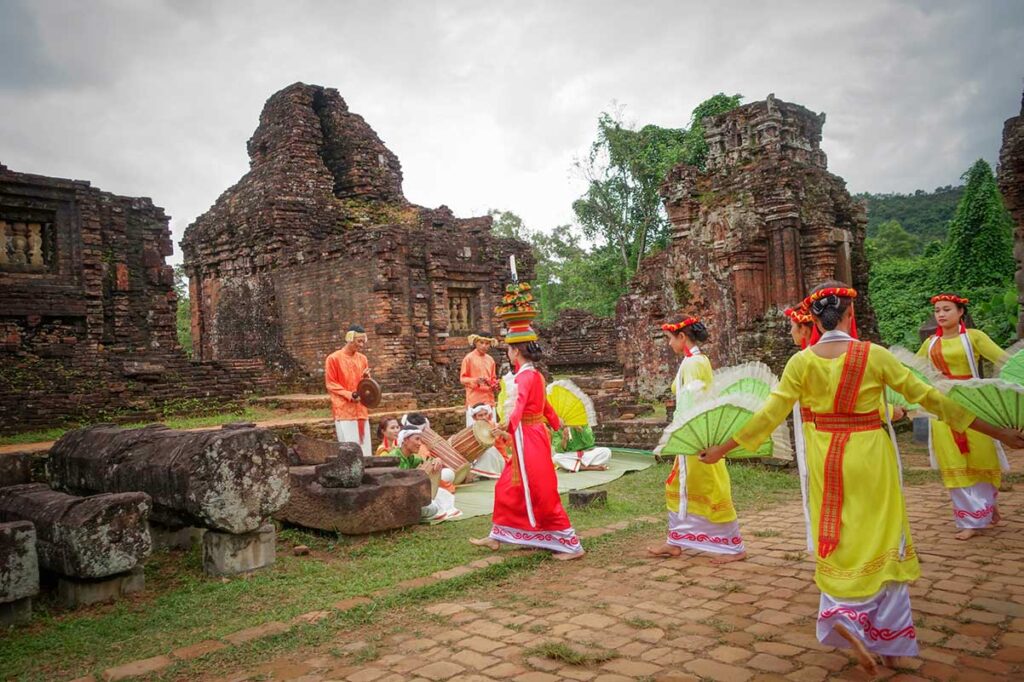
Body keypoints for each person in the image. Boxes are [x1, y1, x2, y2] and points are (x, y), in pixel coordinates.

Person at [699, 282, 1024, 673]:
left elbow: (768, 416)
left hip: (826, 460)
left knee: (838, 535)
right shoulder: (874, 355)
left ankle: (845, 616)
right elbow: (932, 399)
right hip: (871, 456)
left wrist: (720, 449)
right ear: (850, 315)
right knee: (885, 537)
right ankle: (893, 644)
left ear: (814, 321)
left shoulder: (801, 362)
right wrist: (1000, 432)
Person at [470, 281, 583, 560]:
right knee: (508, 485)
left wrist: (502, 428)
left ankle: (571, 544)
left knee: (541, 490)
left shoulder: (526, 376)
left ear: (515, 351)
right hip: (529, 436)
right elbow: (546, 406)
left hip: (529, 438)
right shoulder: (533, 374)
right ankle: (499, 535)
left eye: (509, 350)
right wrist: (558, 426)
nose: (507, 354)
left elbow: (521, 409)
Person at [648, 317, 746, 564]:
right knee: (678, 486)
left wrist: (686, 434)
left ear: (682, 337)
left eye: (671, 339)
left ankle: (733, 546)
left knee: (710, 487)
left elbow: (693, 401)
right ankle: (676, 540)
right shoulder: (694, 361)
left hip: (695, 436)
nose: (669, 344)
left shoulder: (693, 363)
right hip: (693, 434)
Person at [917, 293, 1010, 539]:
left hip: (972, 402)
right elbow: (915, 373)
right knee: (954, 460)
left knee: (980, 455)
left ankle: (986, 509)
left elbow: (1004, 361)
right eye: (937, 310)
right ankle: (971, 519)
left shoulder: (974, 338)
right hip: (943, 406)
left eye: (947, 309)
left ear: (960, 312)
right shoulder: (930, 344)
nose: (941, 314)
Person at [390, 427, 460, 521]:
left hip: (409, 495)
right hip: (396, 500)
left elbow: (428, 461)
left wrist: (437, 460)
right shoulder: (394, 457)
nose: (420, 444)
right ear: (406, 440)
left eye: (420, 440)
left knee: (442, 493)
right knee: (432, 507)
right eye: (417, 439)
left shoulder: (411, 457)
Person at [325, 325, 372, 456]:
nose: (362, 345)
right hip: (344, 410)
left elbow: (365, 385)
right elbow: (331, 384)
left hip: (361, 411)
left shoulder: (363, 359)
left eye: (364, 341)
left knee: (365, 452)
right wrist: (349, 395)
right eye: (359, 341)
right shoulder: (333, 358)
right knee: (350, 453)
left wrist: (367, 379)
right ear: (350, 339)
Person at [460, 334, 498, 427]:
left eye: (487, 343)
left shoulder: (491, 360)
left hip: (488, 399)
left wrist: (495, 384)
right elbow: (462, 379)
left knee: (491, 430)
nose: (484, 346)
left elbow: (493, 378)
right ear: (476, 343)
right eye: (481, 343)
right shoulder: (468, 358)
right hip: (474, 400)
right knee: (474, 432)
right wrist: (476, 381)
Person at [467, 403, 509, 479]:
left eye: (485, 414)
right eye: (480, 415)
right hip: (479, 461)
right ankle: (479, 472)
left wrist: (502, 433)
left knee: (489, 449)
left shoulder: (496, 426)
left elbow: (512, 442)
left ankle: (475, 474)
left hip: (501, 462)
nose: (484, 417)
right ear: (474, 417)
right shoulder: (472, 430)